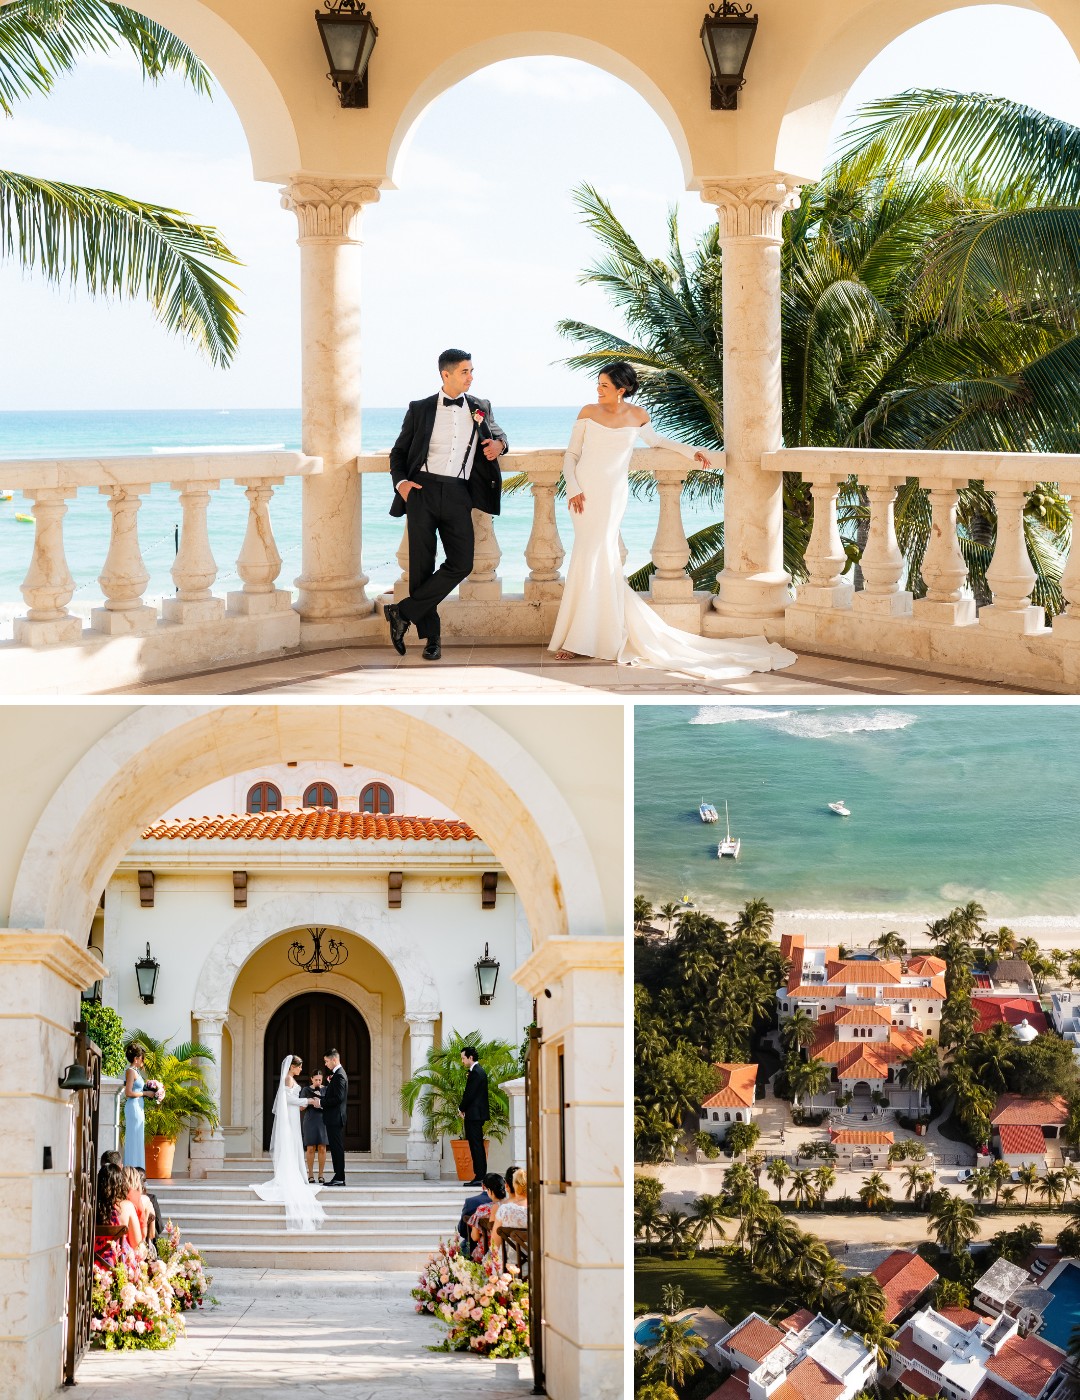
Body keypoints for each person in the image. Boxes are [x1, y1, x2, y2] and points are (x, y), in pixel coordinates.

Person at [548, 361, 798, 681]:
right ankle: (582, 635)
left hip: (612, 496)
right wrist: (574, 486)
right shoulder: (587, 412)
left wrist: (692, 453)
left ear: (621, 390)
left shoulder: (637, 416)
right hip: (583, 493)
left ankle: (591, 636)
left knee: (601, 558)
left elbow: (658, 442)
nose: (598, 390)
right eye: (598, 385)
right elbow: (571, 455)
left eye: (605, 386)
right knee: (586, 557)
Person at [385, 348, 509, 661]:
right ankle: (432, 640)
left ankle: (402, 612)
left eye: (471, 371)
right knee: (421, 567)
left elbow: (499, 434)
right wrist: (402, 485)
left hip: (458, 494)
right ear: (446, 374)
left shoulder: (480, 406)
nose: (471, 377)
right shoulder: (421, 408)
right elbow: (398, 453)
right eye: (465, 371)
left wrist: (500, 445)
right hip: (422, 492)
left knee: (461, 563)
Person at [251, 1054, 326, 1231]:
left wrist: (304, 1103)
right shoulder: (287, 1079)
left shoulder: (290, 1079)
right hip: (290, 1116)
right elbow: (288, 1100)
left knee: (294, 1145)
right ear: (292, 1066)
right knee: (291, 1145)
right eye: (299, 1067)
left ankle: (296, 1174)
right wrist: (308, 1100)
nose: (301, 1069)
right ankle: (289, 1176)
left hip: (293, 1115)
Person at [94, 1162, 138, 1268]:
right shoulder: (127, 1207)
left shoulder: (90, 1208)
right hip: (118, 1266)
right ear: (120, 1184)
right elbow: (136, 1242)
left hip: (91, 1265)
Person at [459, 1045, 490, 1187]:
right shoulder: (477, 1071)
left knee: (476, 1146)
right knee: (476, 1145)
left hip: (474, 1116)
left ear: (470, 1057)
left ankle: (480, 1176)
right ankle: (480, 1175)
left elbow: (470, 1094)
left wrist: (461, 1108)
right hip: (476, 1115)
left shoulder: (476, 1072)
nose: (462, 1061)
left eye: (463, 1058)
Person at [321, 1048, 349, 1187]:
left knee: (337, 1148)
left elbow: (338, 1098)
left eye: (326, 1061)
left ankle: (339, 1177)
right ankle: (338, 1176)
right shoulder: (337, 1074)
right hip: (334, 1117)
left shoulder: (339, 1075)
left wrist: (320, 1102)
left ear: (334, 1059)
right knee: (335, 1148)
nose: (325, 1064)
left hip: (335, 1117)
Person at [458, 1171, 505, 1245]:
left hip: (487, 1247)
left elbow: (474, 1237)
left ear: (484, 1187)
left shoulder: (482, 1209)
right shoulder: (511, 1207)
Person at [489, 1167, 528, 1258]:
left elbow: (495, 1245)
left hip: (509, 1264)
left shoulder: (505, 1210)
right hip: (537, 1264)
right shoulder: (540, 1208)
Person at [123, 1042, 148, 1170]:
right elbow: (128, 1092)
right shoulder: (131, 1071)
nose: (143, 1061)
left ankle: (138, 1171)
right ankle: (132, 1170)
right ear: (136, 1058)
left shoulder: (135, 1071)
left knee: (138, 1138)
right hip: (133, 1107)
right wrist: (145, 1093)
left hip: (138, 1106)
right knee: (134, 1138)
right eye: (142, 1058)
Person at [302, 1069, 329, 1184]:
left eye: (320, 1080)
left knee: (322, 1148)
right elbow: (301, 1107)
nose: (318, 1082)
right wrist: (310, 1101)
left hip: (323, 1120)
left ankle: (321, 1175)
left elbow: (331, 1105)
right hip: (310, 1120)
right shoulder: (306, 1090)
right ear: (311, 1079)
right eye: (316, 1079)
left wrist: (321, 1102)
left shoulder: (326, 1089)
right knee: (310, 1148)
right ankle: (311, 1174)